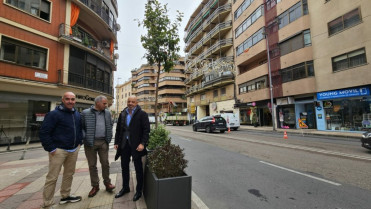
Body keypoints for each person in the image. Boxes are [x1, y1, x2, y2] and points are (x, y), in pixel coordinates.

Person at [39, 92, 83, 208]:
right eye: (67, 99)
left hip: (73, 150)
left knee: (69, 174)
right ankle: (47, 202)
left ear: (75, 101)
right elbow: (44, 132)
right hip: (58, 150)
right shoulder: (54, 114)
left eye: (72, 99)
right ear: (62, 100)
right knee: (52, 177)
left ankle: (65, 195)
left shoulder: (77, 114)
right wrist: (51, 148)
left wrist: (79, 142)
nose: (70, 101)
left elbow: (80, 130)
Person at [114, 96, 150, 201]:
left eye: (133, 102)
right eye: (129, 101)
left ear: (137, 103)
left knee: (138, 169)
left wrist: (143, 143)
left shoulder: (142, 114)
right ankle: (125, 188)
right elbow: (118, 130)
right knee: (124, 167)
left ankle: (139, 191)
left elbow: (146, 130)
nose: (130, 103)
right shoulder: (123, 113)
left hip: (137, 146)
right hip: (124, 145)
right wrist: (117, 142)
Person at [81, 95, 115, 197]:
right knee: (92, 165)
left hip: (103, 142)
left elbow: (110, 124)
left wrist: (109, 137)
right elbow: (81, 127)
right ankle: (95, 186)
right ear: (97, 103)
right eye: (104, 103)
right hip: (90, 143)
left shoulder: (107, 113)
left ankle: (107, 183)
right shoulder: (85, 113)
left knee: (105, 163)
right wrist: (85, 137)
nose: (106, 105)